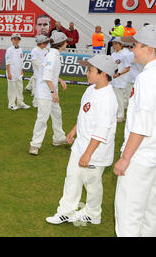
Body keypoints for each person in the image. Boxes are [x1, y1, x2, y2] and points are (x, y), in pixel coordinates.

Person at [46, 55, 118, 225]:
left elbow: (102, 129)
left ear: (103, 73)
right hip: (80, 146)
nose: (86, 73)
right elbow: (84, 114)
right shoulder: (90, 89)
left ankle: (93, 214)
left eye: (90, 70)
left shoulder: (108, 98)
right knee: (72, 178)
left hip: (95, 151)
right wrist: (74, 130)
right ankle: (65, 211)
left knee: (92, 183)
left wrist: (88, 154)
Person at [114, 25, 156, 237]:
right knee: (150, 214)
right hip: (152, 155)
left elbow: (143, 121)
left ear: (150, 49)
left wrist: (125, 157)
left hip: (140, 156)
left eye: (137, 46)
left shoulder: (148, 78)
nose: (133, 50)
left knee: (129, 214)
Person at [29, 32, 68, 156]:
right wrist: (53, 92)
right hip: (46, 93)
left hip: (49, 91)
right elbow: (46, 76)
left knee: (57, 114)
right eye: (66, 41)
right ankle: (34, 144)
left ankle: (58, 138)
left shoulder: (52, 54)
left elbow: (47, 72)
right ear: (61, 44)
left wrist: (59, 80)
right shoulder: (52, 56)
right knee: (42, 118)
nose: (67, 43)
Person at [5, 33, 30, 111]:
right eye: (14, 39)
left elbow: (21, 60)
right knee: (12, 89)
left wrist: (21, 69)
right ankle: (11, 104)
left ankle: (20, 103)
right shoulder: (9, 50)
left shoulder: (20, 49)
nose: (16, 41)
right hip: (11, 72)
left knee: (20, 88)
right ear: (11, 40)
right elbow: (7, 62)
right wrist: (9, 73)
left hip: (18, 73)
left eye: (17, 39)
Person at [111, 38, 131, 122]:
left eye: (116, 44)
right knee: (118, 98)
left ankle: (123, 116)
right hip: (116, 79)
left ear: (121, 44)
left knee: (126, 99)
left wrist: (119, 74)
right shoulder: (113, 54)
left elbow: (128, 68)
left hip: (125, 78)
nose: (114, 46)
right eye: (113, 44)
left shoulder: (126, 54)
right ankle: (120, 115)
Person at [27, 35, 50, 107]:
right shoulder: (35, 50)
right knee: (38, 89)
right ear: (41, 43)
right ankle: (35, 103)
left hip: (45, 72)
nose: (46, 44)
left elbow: (47, 60)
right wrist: (41, 68)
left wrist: (48, 65)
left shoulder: (46, 50)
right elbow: (33, 60)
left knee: (43, 89)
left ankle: (41, 102)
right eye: (45, 43)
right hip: (38, 73)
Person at [123, 42, 144, 110]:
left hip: (133, 76)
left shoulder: (130, 55)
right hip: (134, 76)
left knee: (129, 92)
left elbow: (126, 64)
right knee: (130, 91)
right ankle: (128, 104)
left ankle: (127, 104)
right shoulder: (131, 55)